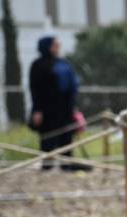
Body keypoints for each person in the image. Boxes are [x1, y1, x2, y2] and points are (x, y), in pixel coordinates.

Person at [28, 36, 83, 171]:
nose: (58, 47)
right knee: (48, 138)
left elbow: (72, 86)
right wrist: (37, 110)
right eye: (55, 45)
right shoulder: (38, 65)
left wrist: (73, 107)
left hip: (65, 110)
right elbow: (35, 89)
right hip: (47, 110)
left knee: (66, 138)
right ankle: (47, 166)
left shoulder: (63, 63)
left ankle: (66, 165)